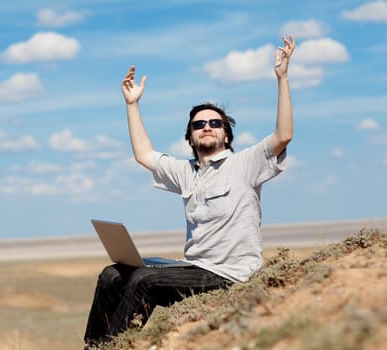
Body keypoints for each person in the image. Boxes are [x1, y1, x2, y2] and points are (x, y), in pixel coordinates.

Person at [83, 35, 295, 348]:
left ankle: (118, 346)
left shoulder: (245, 164)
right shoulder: (187, 172)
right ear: (191, 138)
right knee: (113, 274)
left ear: (226, 135)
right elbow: (144, 155)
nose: (206, 127)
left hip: (230, 275)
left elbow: (283, 134)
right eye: (199, 125)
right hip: (193, 269)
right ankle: (93, 347)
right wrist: (132, 104)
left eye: (214, 123)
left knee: (144, 280)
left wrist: (282, 78)